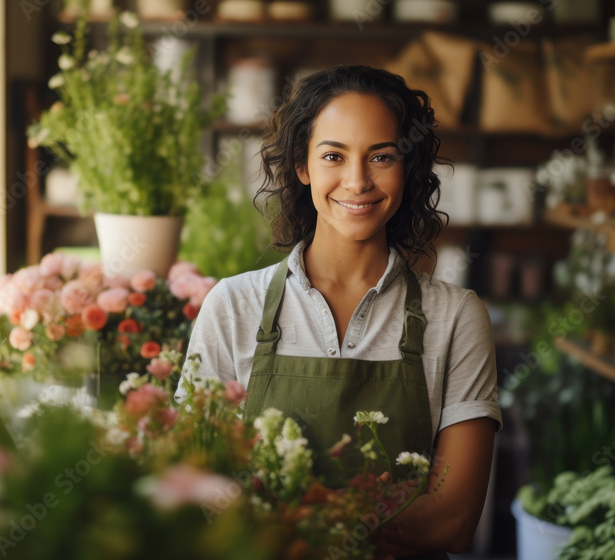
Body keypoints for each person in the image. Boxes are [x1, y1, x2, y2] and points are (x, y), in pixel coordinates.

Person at [178, 65, 500, 558]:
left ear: (407, 168)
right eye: (333, 155)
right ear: (302, 167)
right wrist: (371, 514)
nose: (357, 181)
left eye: (382, 157)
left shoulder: (456, 318)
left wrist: (288, 513)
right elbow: (191, 486)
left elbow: (453, 521)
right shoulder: (233, 306)